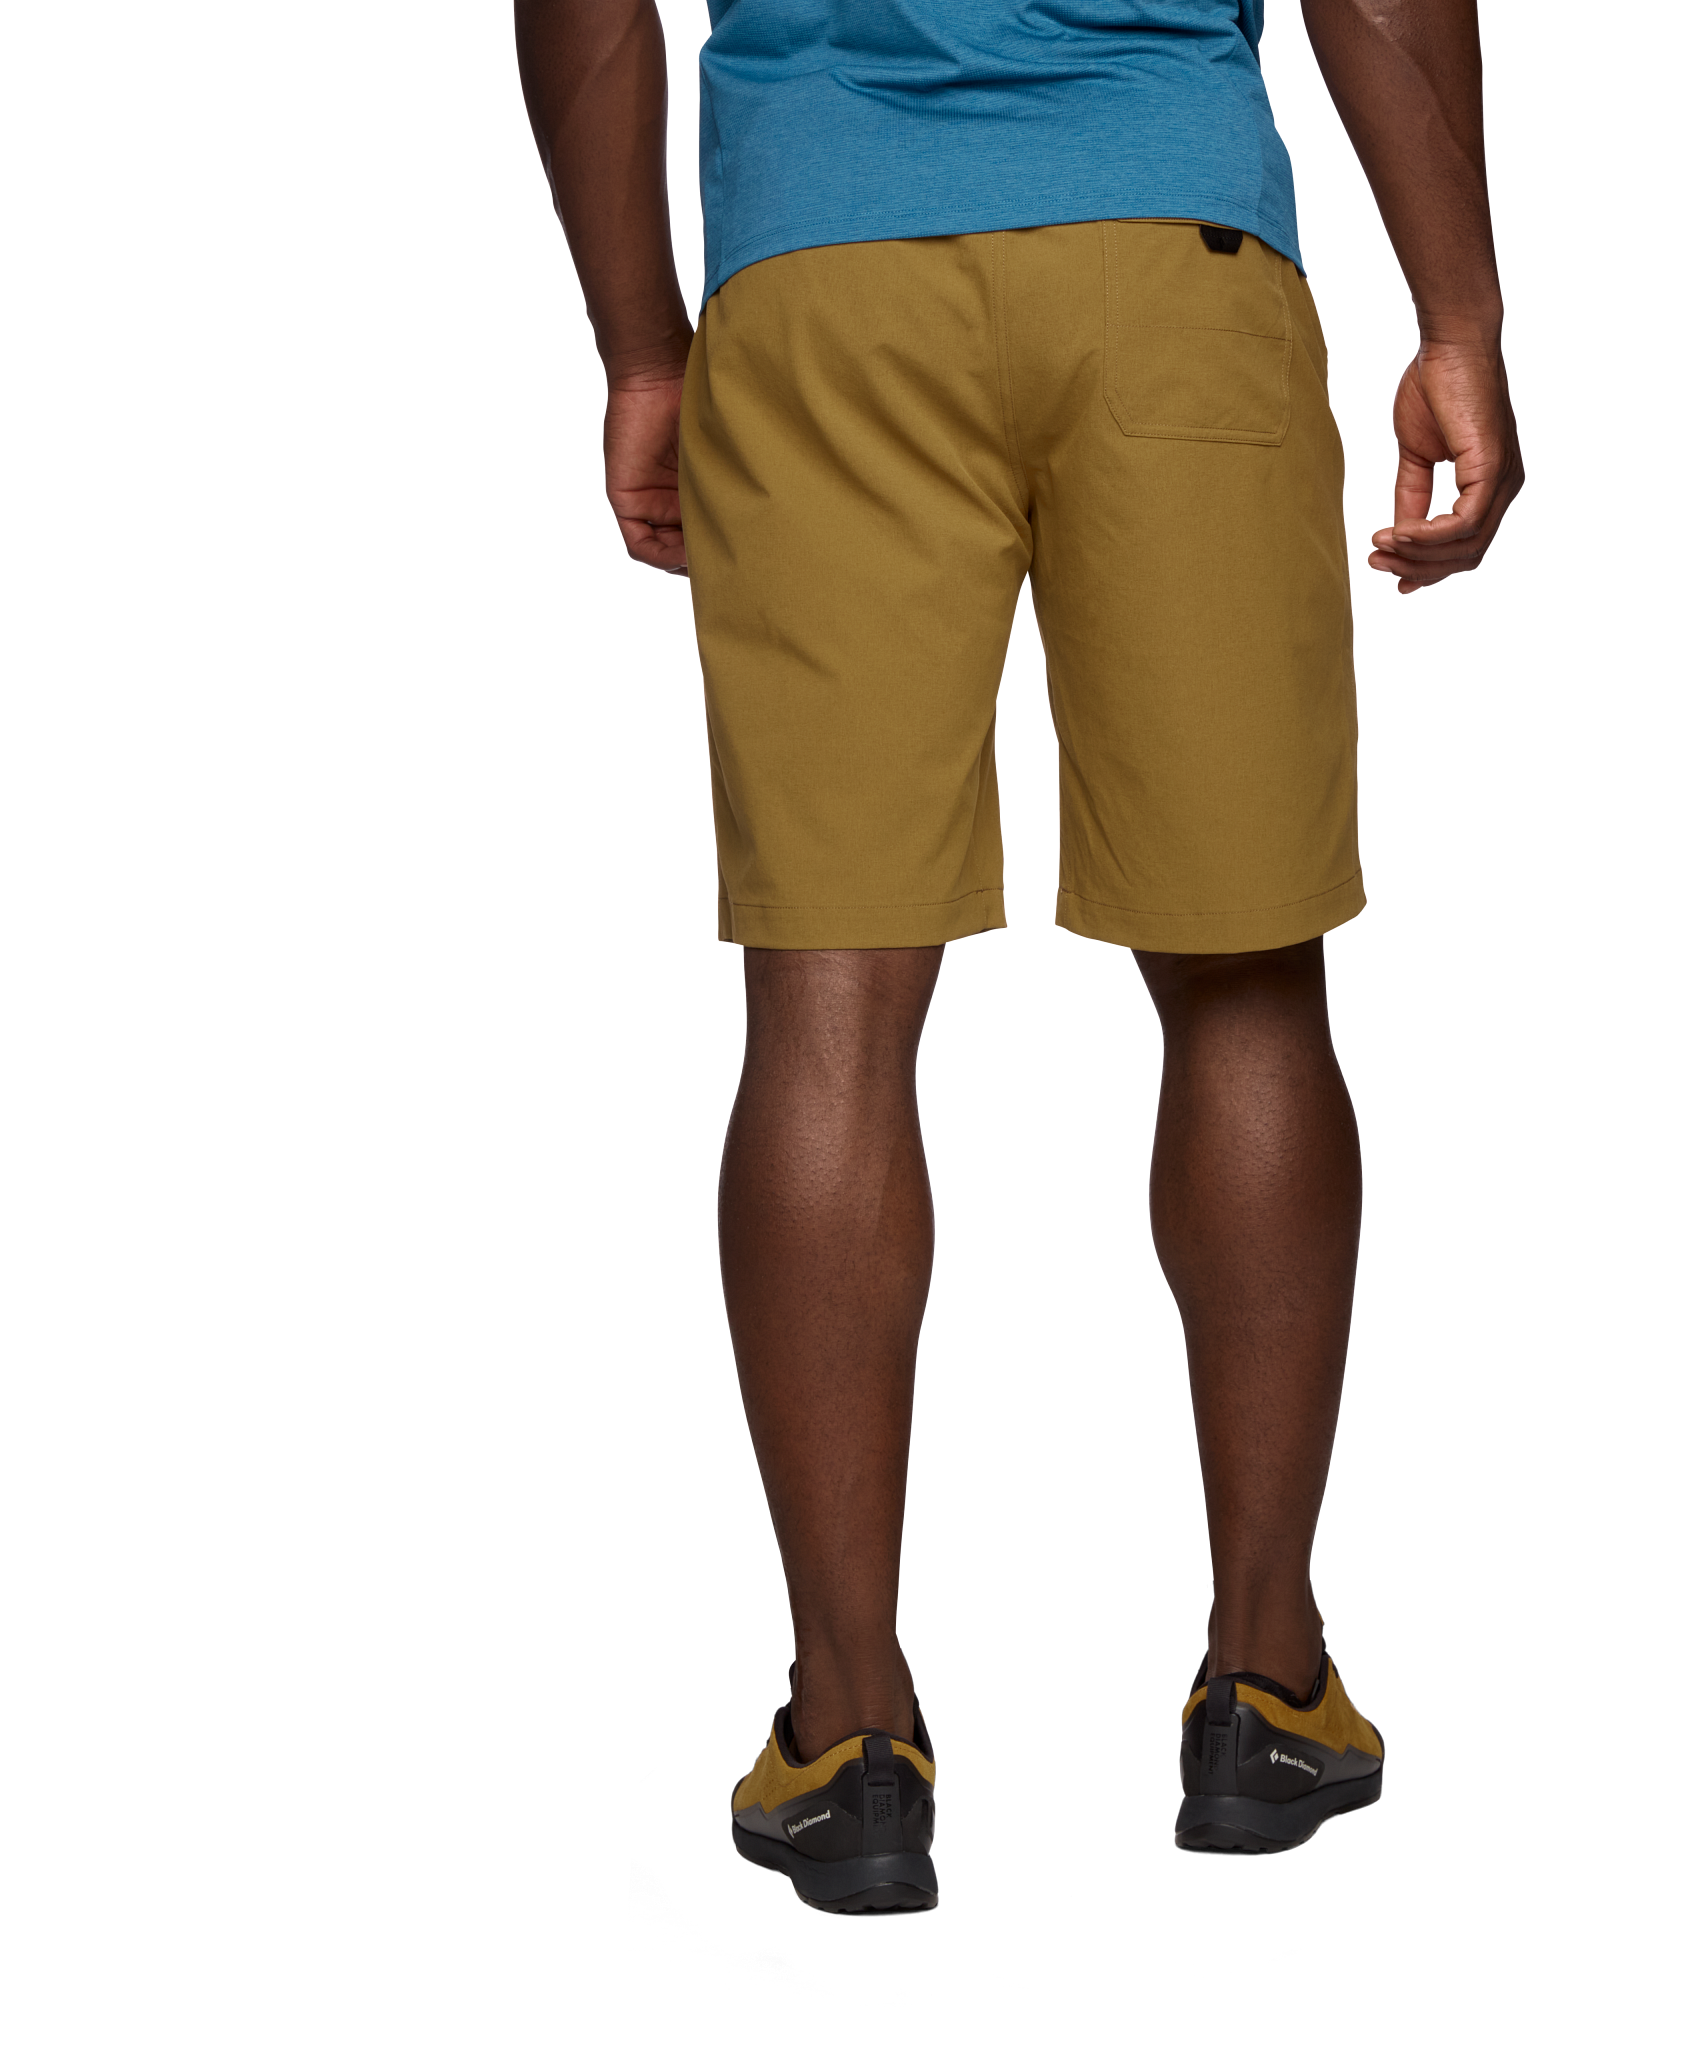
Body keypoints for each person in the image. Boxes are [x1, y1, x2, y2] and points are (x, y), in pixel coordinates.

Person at [514, 0, 1521, 1912]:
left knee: (827, 1006)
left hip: (820, 276)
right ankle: (1267, 1688)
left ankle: (847, 1733)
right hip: (1176, 262)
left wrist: (644, 346)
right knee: (1246, 976)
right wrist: (1459, 319)